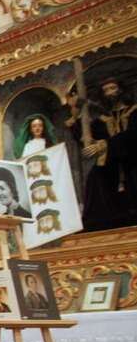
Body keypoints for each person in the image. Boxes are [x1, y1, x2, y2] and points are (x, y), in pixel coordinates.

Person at [67, 78, 137, 230]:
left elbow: (133, 135)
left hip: (132, 161)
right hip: (111, 164)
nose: (110, 93)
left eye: (112, 88)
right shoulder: (104, 119)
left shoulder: (134, 112)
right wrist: (76, 115)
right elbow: (87, 139)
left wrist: (105, 145)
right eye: (105, 90)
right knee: (96, 179)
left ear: (121, 90)